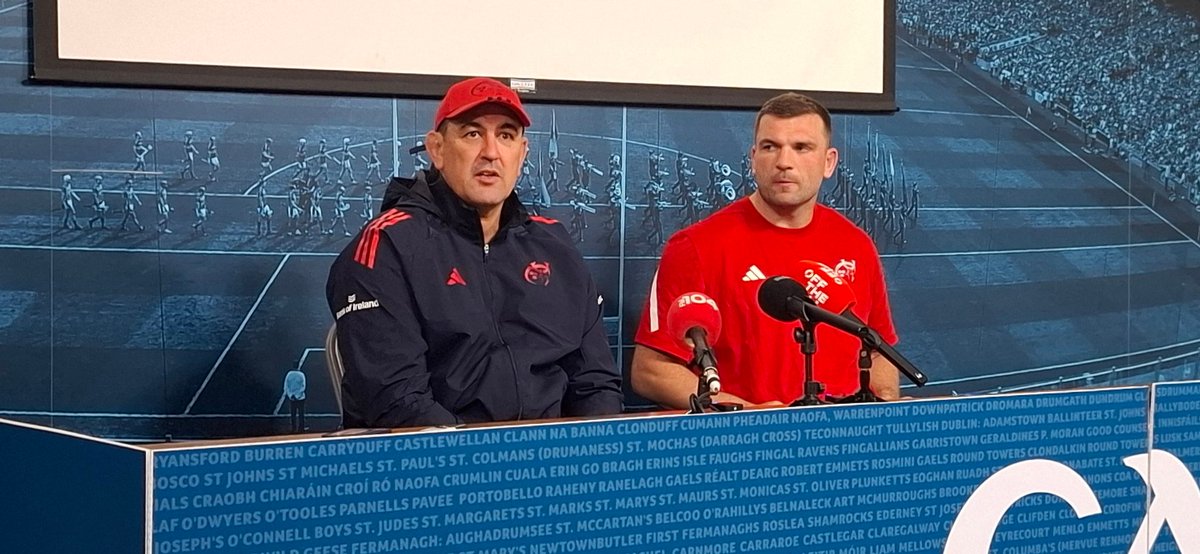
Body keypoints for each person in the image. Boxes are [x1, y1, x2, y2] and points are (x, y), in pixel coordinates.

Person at [326, 77, 622, 429]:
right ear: (436, 149)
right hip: (444, 468)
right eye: (472, 134)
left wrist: (590, 458)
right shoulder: (387, 246)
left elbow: (596, 384)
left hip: (553, 465)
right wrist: (484, 465)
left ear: (522, 152)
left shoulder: (555, 245)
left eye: (506, 135)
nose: (491, 152)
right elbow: (398, 401)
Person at [631, 92, 900, 409]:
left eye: (801, 148)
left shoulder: (856, 244)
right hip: (745, 446)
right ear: (753, 158)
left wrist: (884, 406)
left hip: (842, 445)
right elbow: (651, 370)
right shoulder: (696, 246)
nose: (784, 162)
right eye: (771, 147)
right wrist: (747, 415)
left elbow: (879, 350)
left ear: (829, 162)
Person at [283, 364, 307, 433]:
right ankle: (301, 428)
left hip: (292, 398)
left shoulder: (289, 374)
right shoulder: (301, 374)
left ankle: (294, 428)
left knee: (293, 414)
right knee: (301, 414)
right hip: (300, 398)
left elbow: (286, 386)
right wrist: (298, 396)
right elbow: (303, 386)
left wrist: (291, 395)